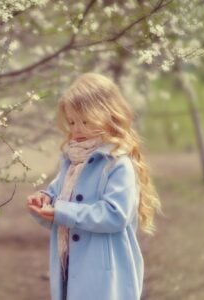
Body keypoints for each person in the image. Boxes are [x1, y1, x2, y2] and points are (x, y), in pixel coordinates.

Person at [26, 72, 163, 300]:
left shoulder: (117, 163)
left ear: (108, 116)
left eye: (85, 121)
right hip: (71, 267)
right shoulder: (72, 161)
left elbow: (115, 215)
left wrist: (61, 211)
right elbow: (57, 197)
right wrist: (43, 201)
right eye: (71, 122)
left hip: (104, 276)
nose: (77, 129)